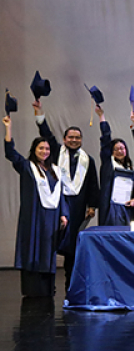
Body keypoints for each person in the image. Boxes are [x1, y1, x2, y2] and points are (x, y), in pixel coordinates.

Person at [32, 100, 99, 290]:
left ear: (81, 140)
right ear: (64, 139)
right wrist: (39, 113)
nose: (74, 140)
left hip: (77, 205)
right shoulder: (54, 153)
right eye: (71, 137)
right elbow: (45, 134)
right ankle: (46, 283)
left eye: (78, 138)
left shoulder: (88, 160)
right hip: (56, 202)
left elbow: (93, 184)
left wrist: (92, 206)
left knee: (72, 245)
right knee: (52, 239)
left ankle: (71, 283)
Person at [4, 115, 68, 296]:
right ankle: (32, 290)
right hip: (33, 216)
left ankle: (47, 288)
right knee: (32, 248)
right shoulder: (27, 167)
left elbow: (60, 194)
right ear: (34, 150)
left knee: (48, 250)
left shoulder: (55, 170)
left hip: (52, 217)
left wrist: (64, 214)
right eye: (41, 148)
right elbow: (10, 153)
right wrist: (8, 128)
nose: (45, 151)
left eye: (47, 148)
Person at [96, 106, 134, 226]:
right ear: (111, 151)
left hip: (126, 208)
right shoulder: (108, 165)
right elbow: (105, 140)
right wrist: (101, 117)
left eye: (122, 148)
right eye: (116, 149)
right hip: (110, 208)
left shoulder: (131, 169)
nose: (120, 151)